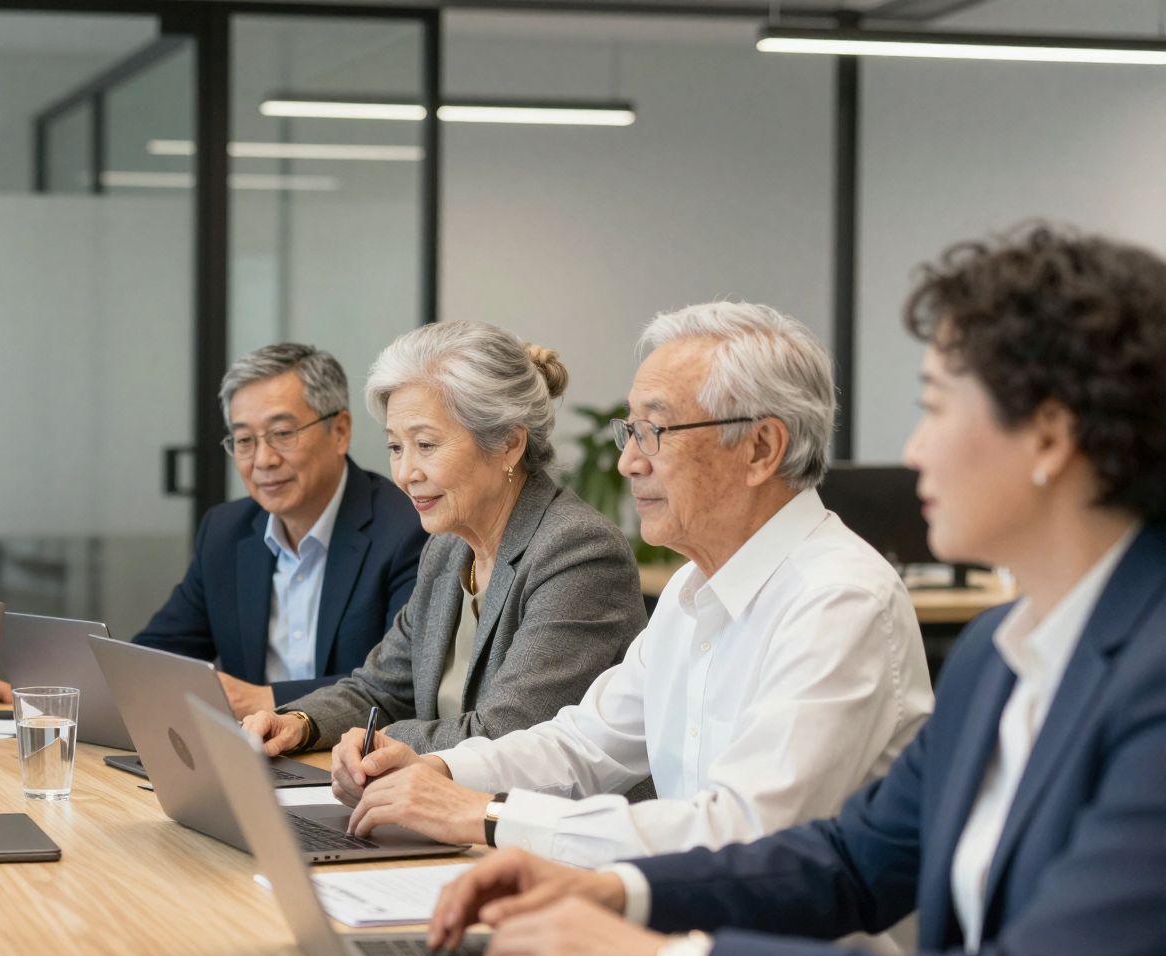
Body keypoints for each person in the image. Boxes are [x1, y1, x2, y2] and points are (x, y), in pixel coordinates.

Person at [425, 226, 1166, 956]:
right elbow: (850, 862)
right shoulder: (999, 652)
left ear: (1050, 434)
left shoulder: (1147, 676)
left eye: (937, 408)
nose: (913, 449)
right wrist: (617, 893)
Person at [336, 303, 932, 860]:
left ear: (761, 447)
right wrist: (442, 773)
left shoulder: (838, 600)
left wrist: (487, 817)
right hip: (671, 927)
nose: (628, 462)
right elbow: (583, 744)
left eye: (655, 432)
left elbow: (741, 835)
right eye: (630, 432)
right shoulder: (690, 592)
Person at [241, 323, 644, 752]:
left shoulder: (578, 551)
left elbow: (508, 733)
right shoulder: (448, 549)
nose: (404, 473)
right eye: (396, 447)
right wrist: (299, 723)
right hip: (445, 806)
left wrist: (373, 742)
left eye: (426, 445)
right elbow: (379, 690)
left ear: (508, 442)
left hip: (552, 816)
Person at [132, 342, 429, 716]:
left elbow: (404, 684)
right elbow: (159, 655)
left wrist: (265, 701)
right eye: (244, 440)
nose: (263, 460)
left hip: (355, 758)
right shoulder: (225, 531)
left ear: (340, 431)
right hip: (251, 757)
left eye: (283, 434)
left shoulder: (407, 531)